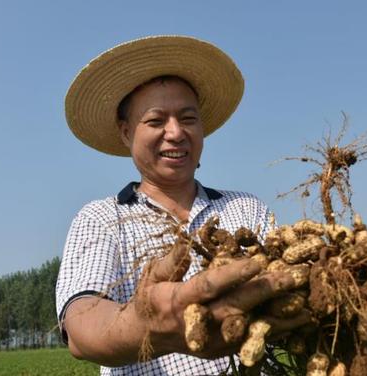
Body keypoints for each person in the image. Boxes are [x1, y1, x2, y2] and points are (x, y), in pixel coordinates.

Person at [55, 35, 308, 376]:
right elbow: (82, 326)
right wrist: (146, 324)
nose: (175, 132)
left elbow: (292, 286)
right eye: (156, 121)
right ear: (126, 132)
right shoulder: (103, 218)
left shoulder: (246, 210)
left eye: (188, 119)